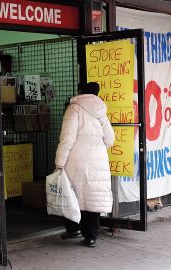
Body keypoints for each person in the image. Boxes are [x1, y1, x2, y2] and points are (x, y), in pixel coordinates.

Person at [55, 82, 115, 248]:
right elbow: (110, 140)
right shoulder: (101, 111)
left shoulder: (74, 108)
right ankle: (91, 237)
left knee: (72, 195)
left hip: (77, 160)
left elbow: (67, 139)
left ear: (80, 92)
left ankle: (73, 229)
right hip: (98, 160)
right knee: (92, 198)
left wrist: (59, 162)